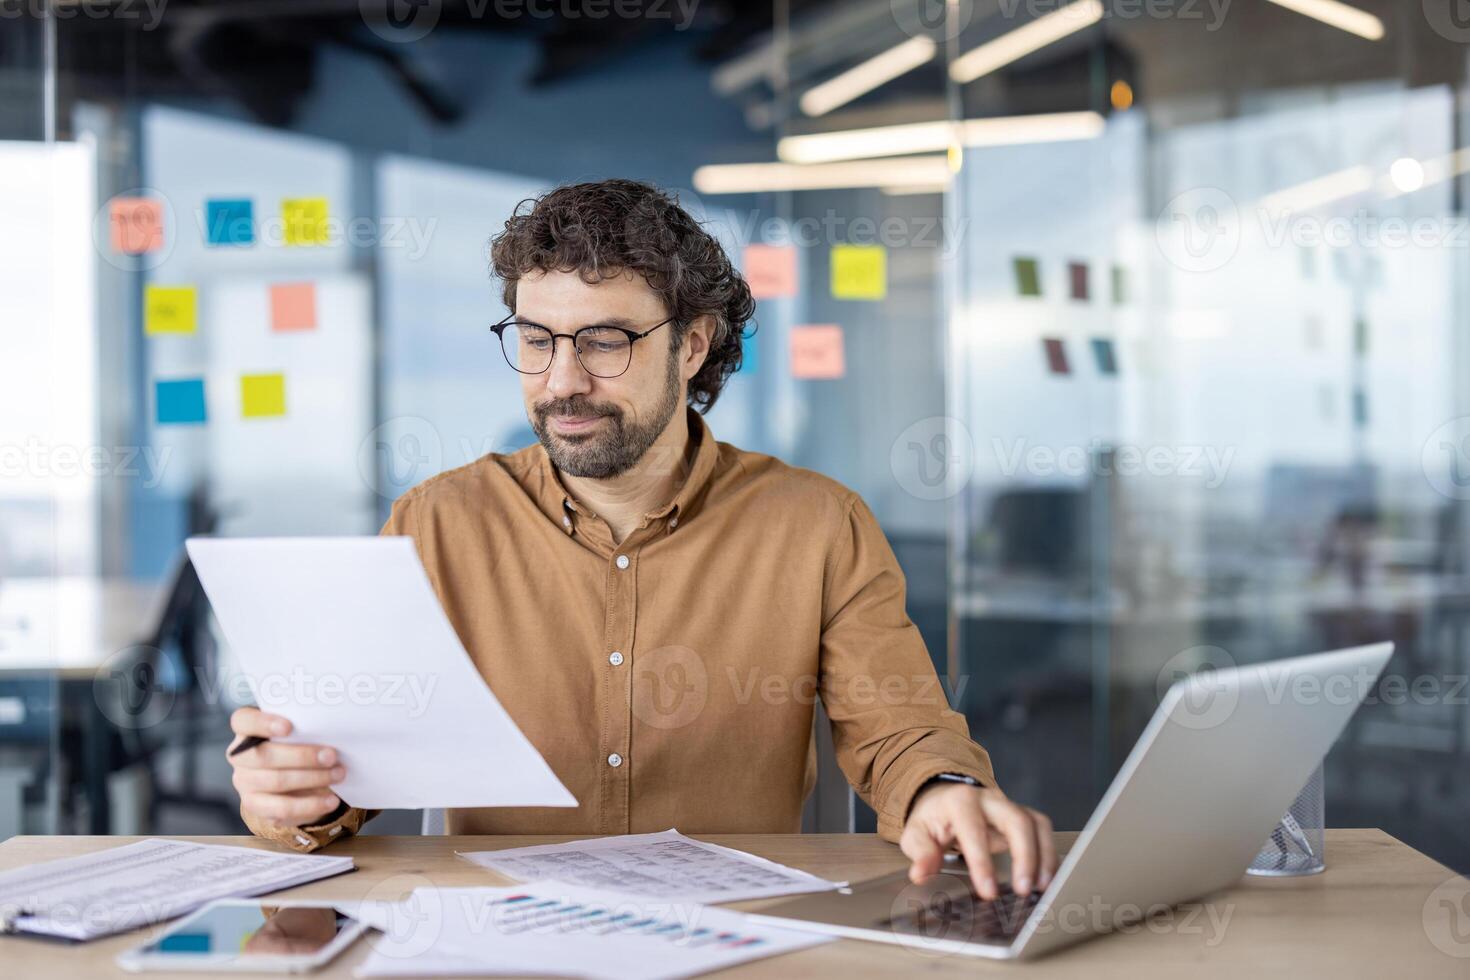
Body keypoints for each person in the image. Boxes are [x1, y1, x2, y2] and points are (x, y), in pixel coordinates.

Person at [226, 179, 1058, 899]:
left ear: (692, 345)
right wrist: (293, 796)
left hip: (738, 943)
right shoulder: (437, 524)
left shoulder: (817, 524)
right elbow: (349, 761)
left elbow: (899, 727)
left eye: (604, 342)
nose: (561, 381)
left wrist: (941, 789)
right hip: (502, 948)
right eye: (537, 339)